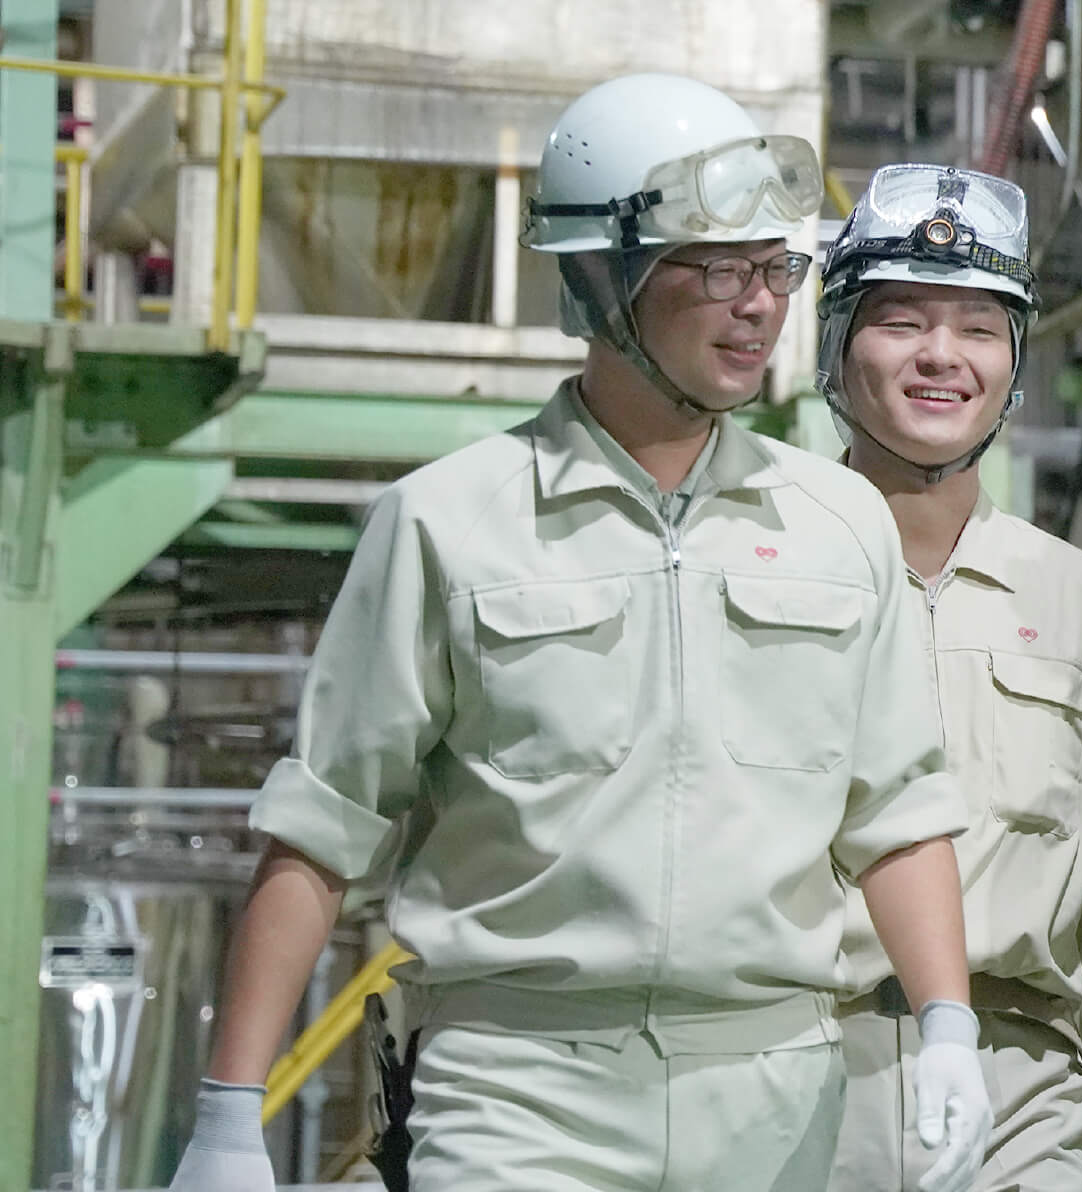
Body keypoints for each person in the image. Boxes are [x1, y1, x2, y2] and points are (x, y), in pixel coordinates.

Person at [165, 73, 993, 1192]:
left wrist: (948, 1025)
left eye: (776, 268)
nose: (760, 304)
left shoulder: (838, 524)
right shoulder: (448, 524)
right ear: (603, 275)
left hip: (776, 1097)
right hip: (515, 1096)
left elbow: (898, 811)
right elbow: (323, 825)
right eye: (719, 268)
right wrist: (227, 1117)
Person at [814, 162, 1082, 1192]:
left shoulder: (1077, 600)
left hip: (1025, 1102)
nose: (941, 355)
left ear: (1015, 362)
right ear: (838, 344)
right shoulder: (772, 571)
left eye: (979, 327)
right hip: (800, 1086)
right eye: (901, 321)